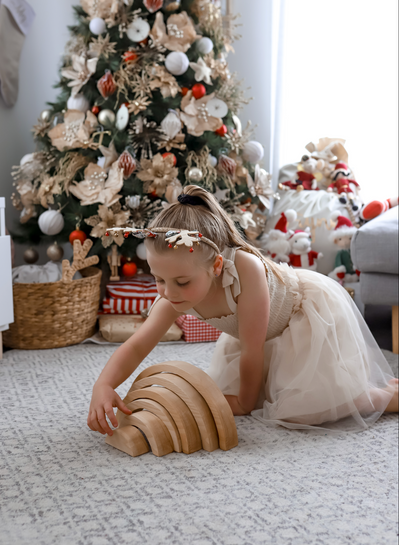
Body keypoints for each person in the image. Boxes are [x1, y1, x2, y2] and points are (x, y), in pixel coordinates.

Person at [88, 186, 398, 437]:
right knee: (236, 394)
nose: (168, 292)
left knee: (304, 409)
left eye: (181, 282)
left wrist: (245, 402)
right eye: (158, 280)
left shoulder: (245, 269)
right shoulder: (172, 295)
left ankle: (385, 396)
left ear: (216, 266)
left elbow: (252, 349)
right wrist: (104, 385)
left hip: (304, 319)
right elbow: (137, 344)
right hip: (263, 336)